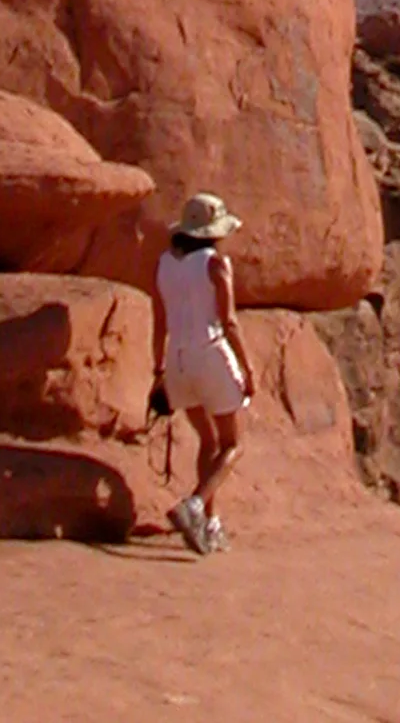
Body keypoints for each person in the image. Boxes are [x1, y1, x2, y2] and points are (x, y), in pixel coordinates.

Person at [152, 189, 255, 554]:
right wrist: (248, 366)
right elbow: (228, 320)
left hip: (177, 359)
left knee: (207, 441)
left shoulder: (164, 264)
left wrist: (158, 369)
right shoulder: (215, 264)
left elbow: (160, 320)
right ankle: (194, 505)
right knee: (234, 444)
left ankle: (209, 526)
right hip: (210, 354)